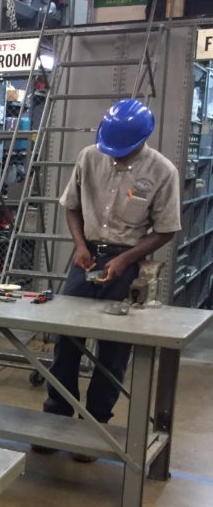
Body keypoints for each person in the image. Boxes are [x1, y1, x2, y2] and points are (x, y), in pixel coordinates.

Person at [42, 99, 180, 460]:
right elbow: (71, 206)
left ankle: (96, 424)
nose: (115, 159)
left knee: (114, 351)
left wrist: (123, 261)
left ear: (141, 140)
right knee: (66, 340)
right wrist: (79, 245)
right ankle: (57, 417)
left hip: (127, 263)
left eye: (123, 153)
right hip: (85, 257)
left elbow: (166, 229)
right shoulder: (89, 157)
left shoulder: (162, 172)